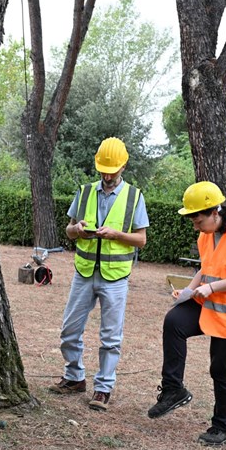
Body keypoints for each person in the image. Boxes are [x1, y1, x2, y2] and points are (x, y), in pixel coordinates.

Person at [147, 181, 226, 446]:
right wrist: (189, 290)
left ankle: (220, 428)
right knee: (175, 320)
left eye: (198, 220)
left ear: (216, 212)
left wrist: (210, 288)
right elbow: (206, 267)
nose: (195, 226)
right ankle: (173, 390)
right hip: (211, 305)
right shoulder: (206, 234)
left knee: (221, 371)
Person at [49, 137, 148, 411]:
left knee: (110, 338)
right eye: (103, 169)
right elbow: (68, 230)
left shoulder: (134, 197)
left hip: (115, 276)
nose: (107, 175)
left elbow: (141, 240)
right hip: (84, 272)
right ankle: (74, 377)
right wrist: (77, 230)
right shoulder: (84, 192)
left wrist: (116, 235)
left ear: (123, 166)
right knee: (69, 330)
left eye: (112, 170)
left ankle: (103, 388)